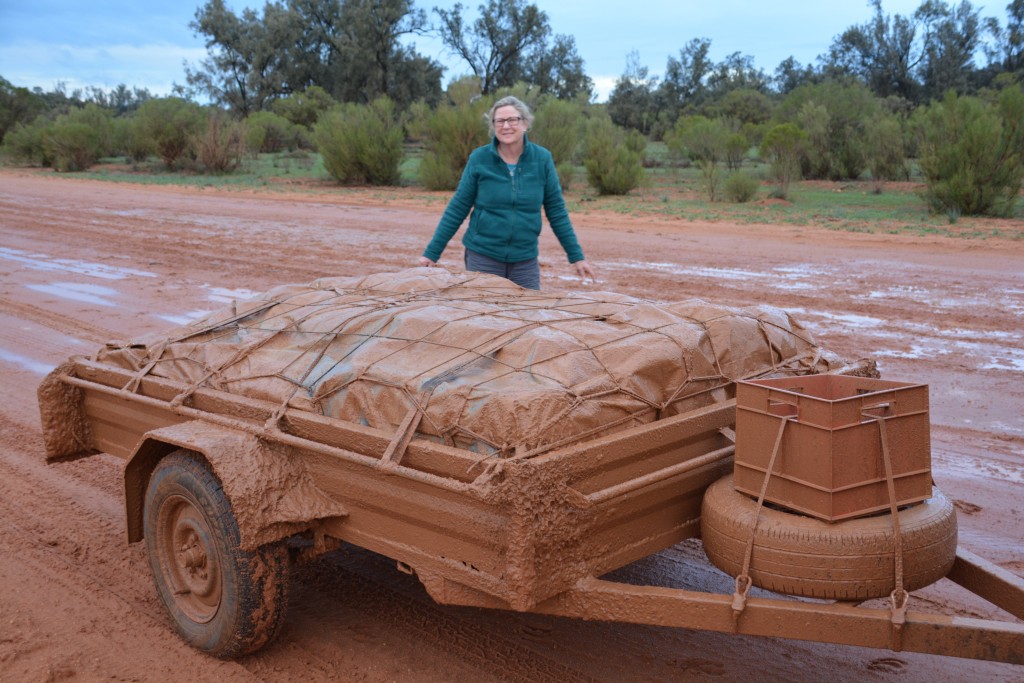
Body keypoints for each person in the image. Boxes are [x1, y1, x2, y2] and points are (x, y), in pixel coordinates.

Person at [418, 96, 595, 290]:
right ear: (493, 126)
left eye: (513, 120)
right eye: (500, 121)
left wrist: (576, 256)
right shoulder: (479, 158)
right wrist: (431, 253)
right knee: (485, 315)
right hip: (483, 257)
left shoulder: (542, 159)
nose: (506, 126)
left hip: (525, 260)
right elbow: (458, 208)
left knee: (527, 315)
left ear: (525, 123)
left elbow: (557, 211)